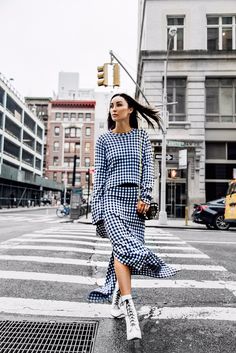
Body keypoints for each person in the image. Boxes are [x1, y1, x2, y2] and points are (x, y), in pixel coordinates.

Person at [88, 93, 179, 341]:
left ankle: (117, 299)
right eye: (111, 105)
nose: (113, 108)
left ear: (129, 110)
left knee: (123, 254)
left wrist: (145, 197)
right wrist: (98, 212)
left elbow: (148, 170)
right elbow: (100, 179)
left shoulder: (141, 138)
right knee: (122, 248)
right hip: (111, 200)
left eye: (118, 104)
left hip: (135, 204)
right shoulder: (104, 139)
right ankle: (131, 313)